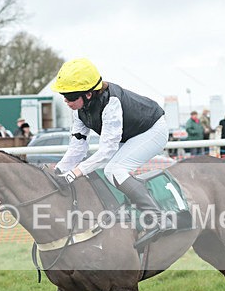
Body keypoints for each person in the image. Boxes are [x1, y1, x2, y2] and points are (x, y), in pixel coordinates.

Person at [50, 58, 173, 249]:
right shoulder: (79, 109)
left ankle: (158, 217)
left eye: (70, 97)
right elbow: (77, 148)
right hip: (131, 133)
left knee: (114, 169)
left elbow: (107, 150)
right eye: (63, 96)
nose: (66, 101)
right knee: (98, 170)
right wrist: (58, 171)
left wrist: (74, 173)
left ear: (89, 94)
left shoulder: (111, 102)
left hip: (152, 130)